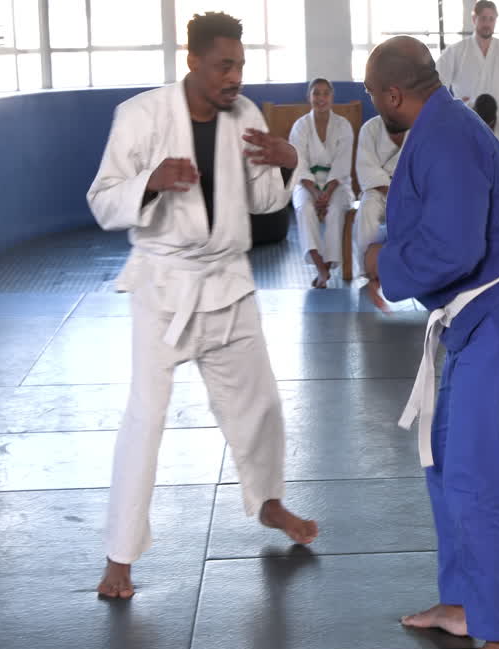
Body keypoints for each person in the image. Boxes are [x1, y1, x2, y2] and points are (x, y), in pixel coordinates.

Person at [86, 11, 318, 599]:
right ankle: (120, 556)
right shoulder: (140, 116)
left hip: (229, 282)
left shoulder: (245, 115)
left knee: (261, 403)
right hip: (164, 290)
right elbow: (103, 201)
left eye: (240, 65)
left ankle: (269, 503)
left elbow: (264, 200)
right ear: (192, 61)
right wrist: (150, 182)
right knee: (146, 419)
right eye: (224, 65)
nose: (235, 76)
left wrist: (287, 162)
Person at [362, 36, 499, 649]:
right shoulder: (441, 129)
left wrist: (382, 264)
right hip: (480, 326)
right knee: (445, 458)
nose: (374, 107)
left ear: (393, 94)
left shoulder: (442, 135)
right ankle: (463, 602)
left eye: (372, 97)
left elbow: (452, 245)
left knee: (479, 481)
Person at [436, 0, 499, 189]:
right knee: (463, 169)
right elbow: (436, 83)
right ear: (474, 19)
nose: (487, 23)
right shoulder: (457, 51)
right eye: (483, 18)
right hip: (467, 118)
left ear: (496, 21)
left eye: (491, 19)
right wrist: (452, 107)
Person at [289, 78, 356, 288]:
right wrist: (316, 192)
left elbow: (342, 163)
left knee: (336, 209)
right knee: (304, 208)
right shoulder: (300, 126)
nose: (321, 98)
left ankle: (328, 266)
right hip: (306, 182)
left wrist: (327, 191)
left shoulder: (343, 126)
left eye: (325, 93)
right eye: (316, 93)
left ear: (332, 97)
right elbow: (298, 162)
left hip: (337, 183)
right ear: (309, 97)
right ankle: (320, 267)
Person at [352, 115, 405, 278]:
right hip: (377, 190)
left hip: (407, 190)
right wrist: (389, 190)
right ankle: (369, 268)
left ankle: (408, 268)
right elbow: (367, 168)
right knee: (367, 210)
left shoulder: (417, 128)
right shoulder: (369, 129)